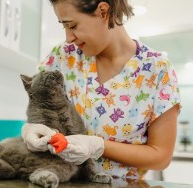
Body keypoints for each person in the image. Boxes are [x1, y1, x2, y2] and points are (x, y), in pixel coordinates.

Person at [21, 0, 181, 179]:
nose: (68, 37)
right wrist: (32, 128)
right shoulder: (63, 56)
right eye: (64, 26)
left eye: (72, 25)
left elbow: (160, 157)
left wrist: (99, 146)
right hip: (61, 180)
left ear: (103, 12)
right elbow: (39, 106)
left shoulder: (156, 69)